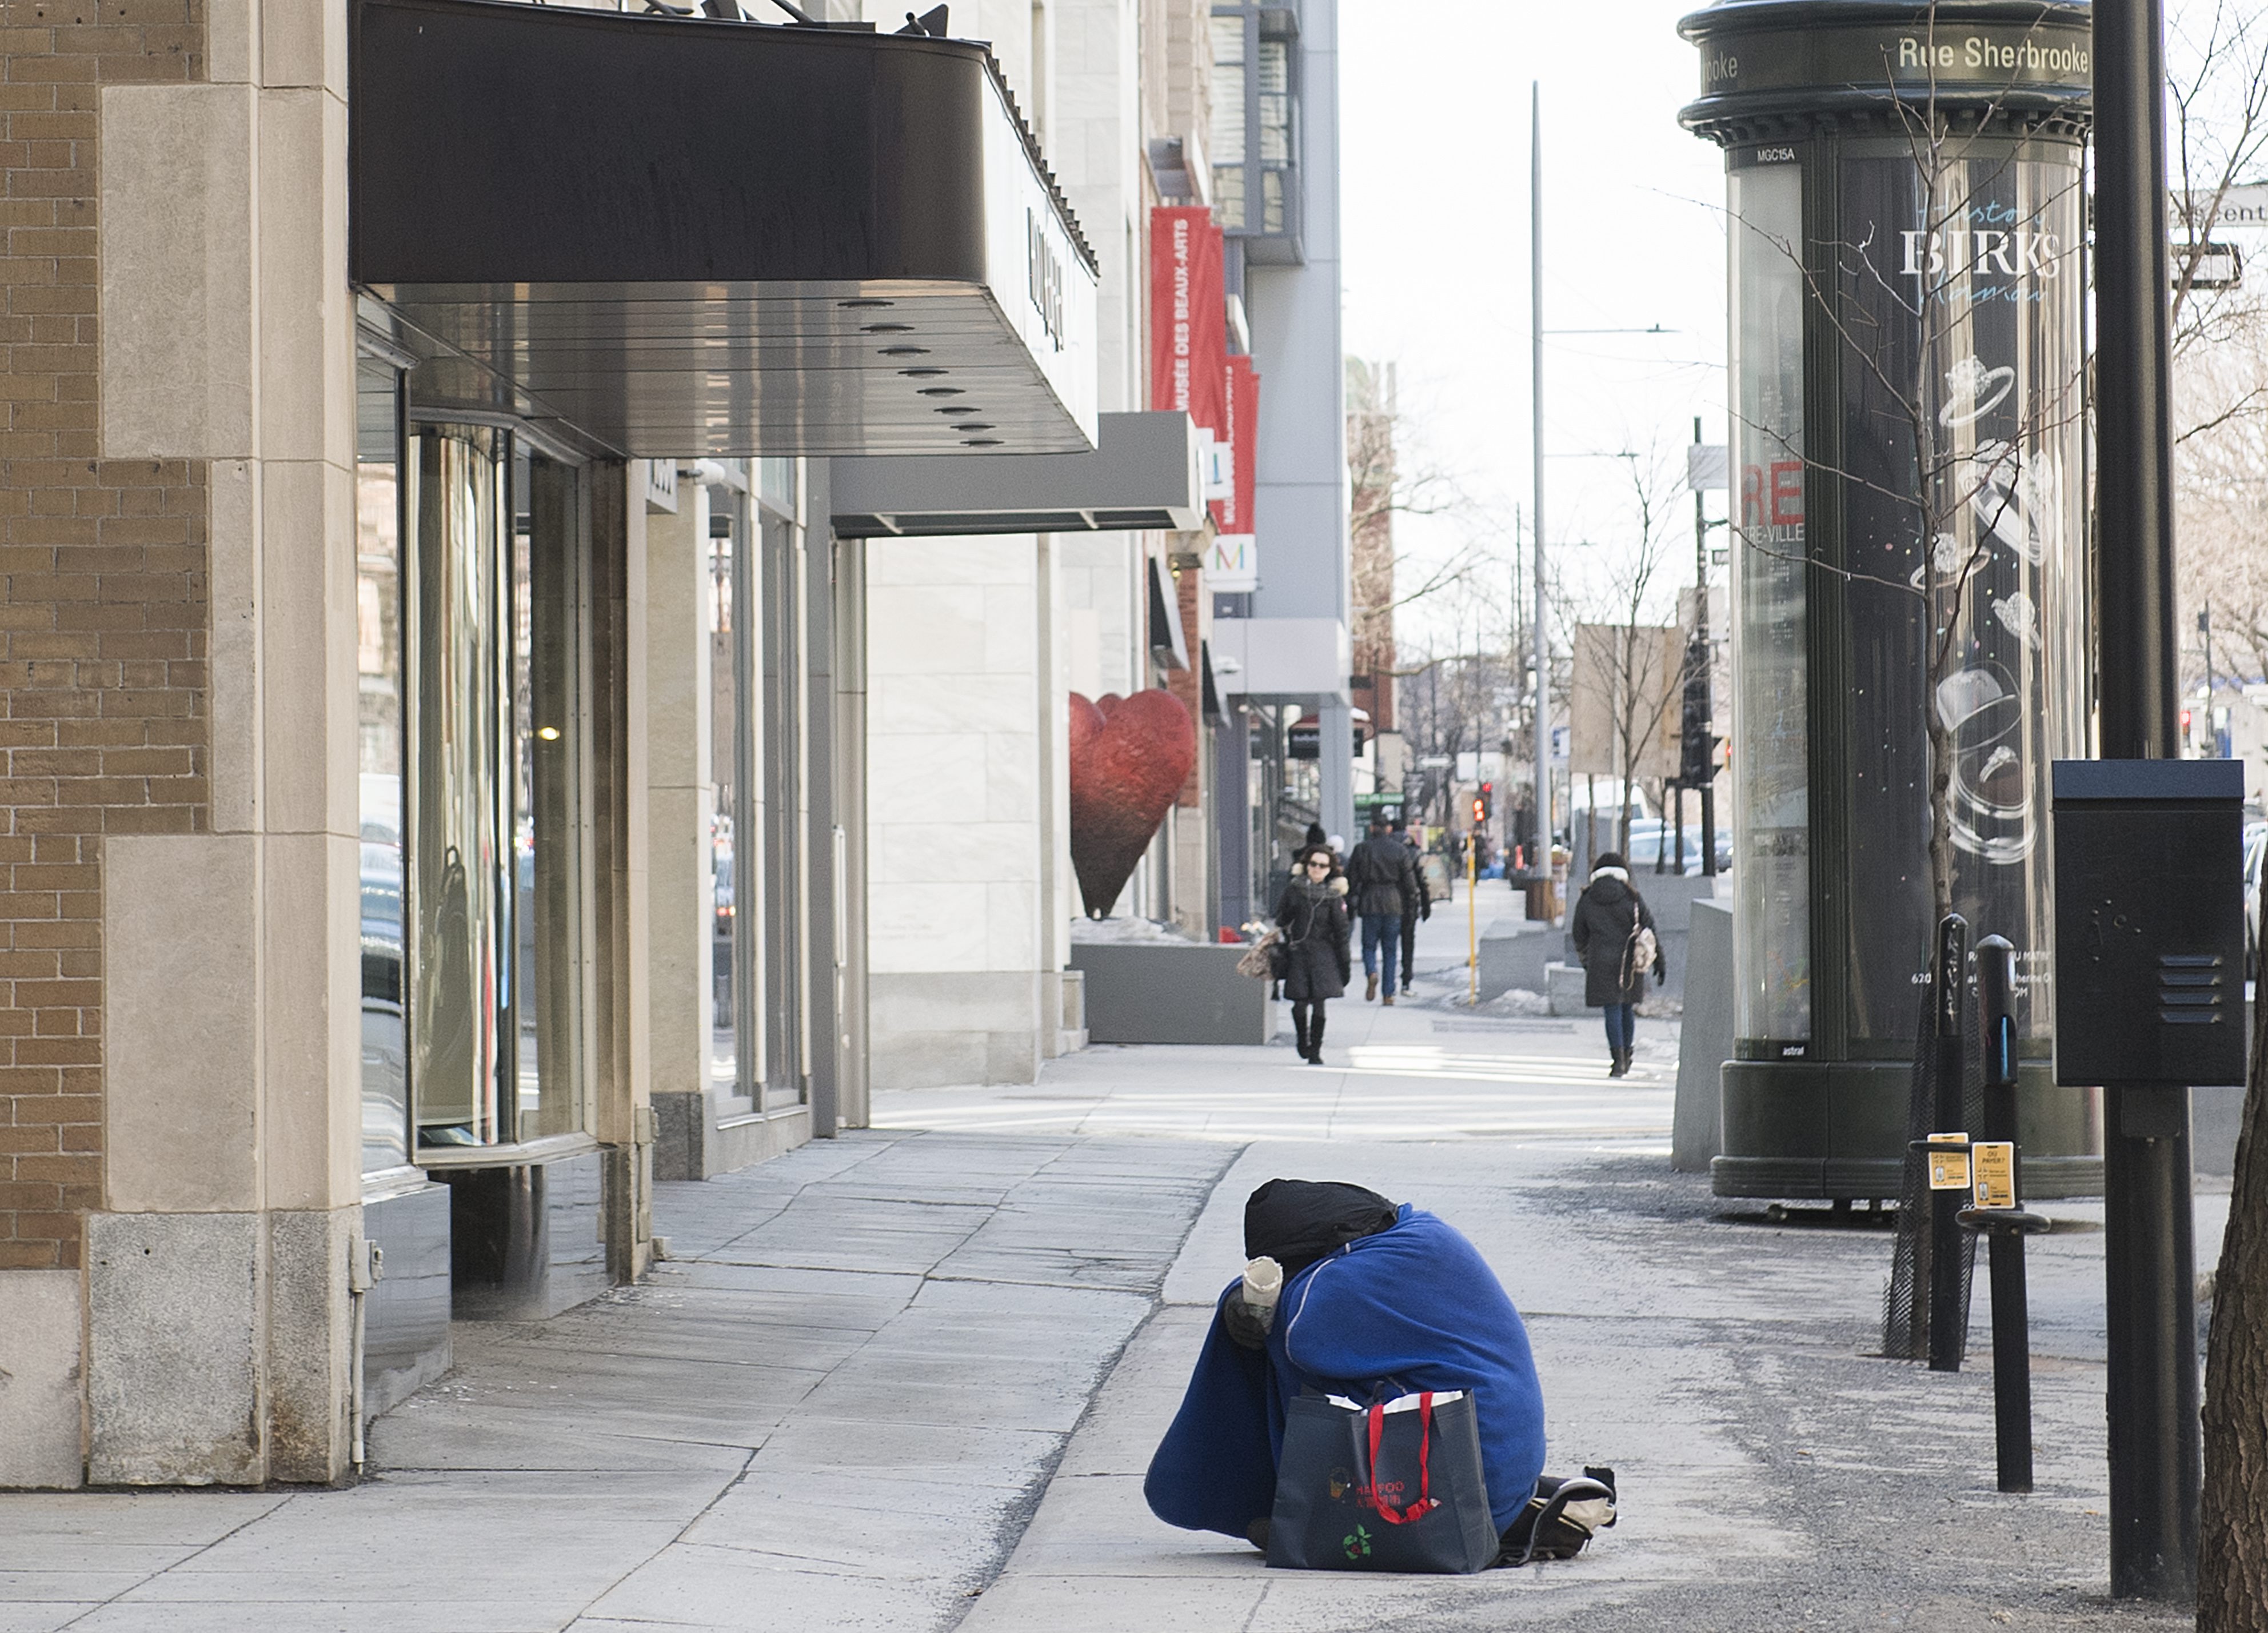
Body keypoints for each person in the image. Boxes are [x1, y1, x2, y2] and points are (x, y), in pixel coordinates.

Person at [1143, 1179, 1548, 1561]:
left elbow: (1301, 1334)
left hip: (1469, 1495)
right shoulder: (1419, 1232)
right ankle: (1297, 1507)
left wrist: (1250, 1300)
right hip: (1499, 1473)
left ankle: (1306, 1511)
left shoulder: (1364, 1270)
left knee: (1283, 1342)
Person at [1569, 850, 1662, 1077]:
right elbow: (1649, 928)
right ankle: (1628, 1055)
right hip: (1629, 961)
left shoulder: (1588, 898)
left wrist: (1587, 960)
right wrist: (1659, 960)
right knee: (1626, 1007)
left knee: (1611, 1009)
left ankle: (1617, 1060)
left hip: (1600, 961)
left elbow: (1579, 934)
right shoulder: (1632, 897)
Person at [1273, 844, 1350, 1064]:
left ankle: (1315, 1050)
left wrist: (1344, 964)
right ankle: (1302, 1041)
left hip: (1323, 954)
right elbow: (1281, 918)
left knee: (1319, 1003)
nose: (1317, 869)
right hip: (1298, 951)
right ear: (1306, 866)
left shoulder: (1333, 896)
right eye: (1313, 864)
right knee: (1299, 1002)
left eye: (1322, 866)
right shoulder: (1295, 889)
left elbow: (1341, 932)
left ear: (1329, 870)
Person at [1345, 815, 1420, 1004]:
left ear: (1372, 828)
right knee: (1390, 950)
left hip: (1370, 901)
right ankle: (1388, 993)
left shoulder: (1362, 849)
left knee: (1369, 946)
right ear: (1388, 829)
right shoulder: (1400, 850)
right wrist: (1412, 902)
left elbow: (1352, 879)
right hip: (1394, 902)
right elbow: (1410, 882)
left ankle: (1372, 972)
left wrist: (1352, 902)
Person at [1395, 822, 1431, 995]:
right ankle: (1406, 980)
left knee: (1389, 944)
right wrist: (1426, 905)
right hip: (1409, 904)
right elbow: (1421, 882)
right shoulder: (1412, 852)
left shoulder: (1387, 848)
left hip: (1390, 904)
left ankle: (1388, 984)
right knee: (1408, 943)